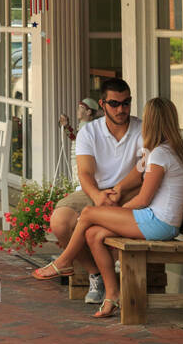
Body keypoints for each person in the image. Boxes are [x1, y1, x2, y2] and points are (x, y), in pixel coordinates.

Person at [32, 97, 183, 318]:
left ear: (151, 122)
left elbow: (144, 199)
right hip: (158, 220)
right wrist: (117, 198)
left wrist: (117, 210)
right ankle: (112, 295)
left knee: (89, 213)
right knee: (94, 234)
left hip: (159, 223)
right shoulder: (163, 150)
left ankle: (64, 261)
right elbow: (142, 176)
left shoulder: (161, 154)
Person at [47, 78, 144, 308]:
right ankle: (96, 275)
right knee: (60, 222)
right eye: (115, 103)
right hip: (94, 192)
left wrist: (119, 190)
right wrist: (99, 196)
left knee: (102, 227)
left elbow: (143, 168)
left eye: (126, 103)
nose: (122, 109)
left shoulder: (142, 128)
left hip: (129, 192)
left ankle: (112, 284)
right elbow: (85, 172)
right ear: (102, 104)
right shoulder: (89, 132)